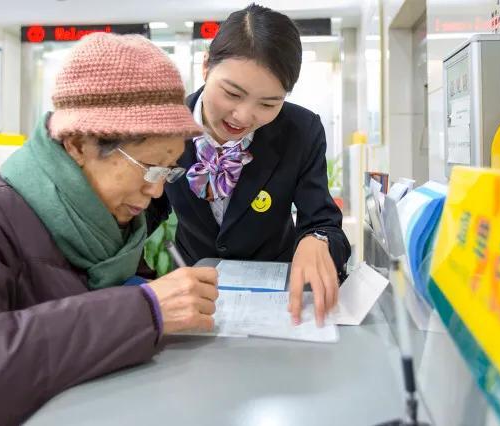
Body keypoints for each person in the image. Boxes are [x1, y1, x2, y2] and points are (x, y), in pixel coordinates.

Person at [0, 33, 219, 426]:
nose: (155, 190)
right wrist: (142, 311)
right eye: (149, 166)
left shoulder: (113, 228)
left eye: (168, 170)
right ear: (79, 145)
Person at [148, 4, 351, 326]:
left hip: (278, 298)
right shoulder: (166, 125)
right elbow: (143, 210)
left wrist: (318, 241)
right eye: (231, 93)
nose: (243, 116)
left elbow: (323, 221)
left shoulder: (301, 130)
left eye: (269, 103)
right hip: (194, 293)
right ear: (205, 67)